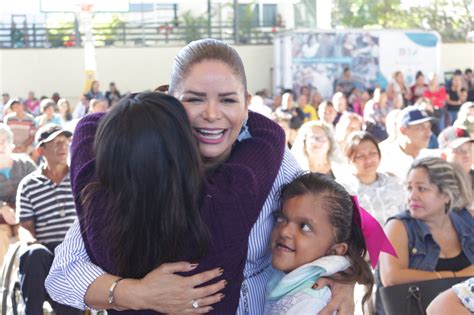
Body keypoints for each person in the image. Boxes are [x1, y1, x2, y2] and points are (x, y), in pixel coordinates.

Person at [46, 39, 356, 314]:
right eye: (194, 99)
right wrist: (137, 293)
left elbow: (337, 220)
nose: (211, 113)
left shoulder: (275, 163)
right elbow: (62, 276)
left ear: (247, 103)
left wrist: (344, 273)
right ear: (169, 100)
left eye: (227, 100)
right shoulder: (138, 172)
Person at [265, 173, 382, 314]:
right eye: (280, 219)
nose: (285, 231)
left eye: (304, 227)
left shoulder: (310, 304)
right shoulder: (292, 284)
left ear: (335, 251)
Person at [379, 157, 473, 287]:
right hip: (417, 306)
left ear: (446, 195)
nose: (412, 196)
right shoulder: (397, 226)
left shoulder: (468, 219)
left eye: (421, 188)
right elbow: (391, 277)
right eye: (409, 188)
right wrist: (454, 277)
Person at [16, 123, 78, 314]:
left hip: (73, 250)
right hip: (44, 252)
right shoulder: (28, 185)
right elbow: (25, 226)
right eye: (56, 143)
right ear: (41, 150)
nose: (63, 146)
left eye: (65, 141)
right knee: (35, 254)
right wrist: (32, 242)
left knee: (69, 260)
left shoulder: (79, 177)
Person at [340, 131, 406, 225]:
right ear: (350, 160)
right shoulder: (343, 190)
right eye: (361, 156)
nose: (368, 160)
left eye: (372, 153)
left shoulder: (394, 183)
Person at [0, 124, 36, 266]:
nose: (0, 146)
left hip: (24, 215)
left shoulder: (25, 164)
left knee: (27, 238)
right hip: (1, 220)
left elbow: (37, 186)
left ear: (11, 144)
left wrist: (21, 209)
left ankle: (27, 280)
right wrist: (2, 207)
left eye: (3, 141)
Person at [379, 107, 434, 180]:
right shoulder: (384, 159)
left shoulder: (431, 159)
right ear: (403, 130)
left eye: (429, 127)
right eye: (421, 127)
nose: (429, 133)